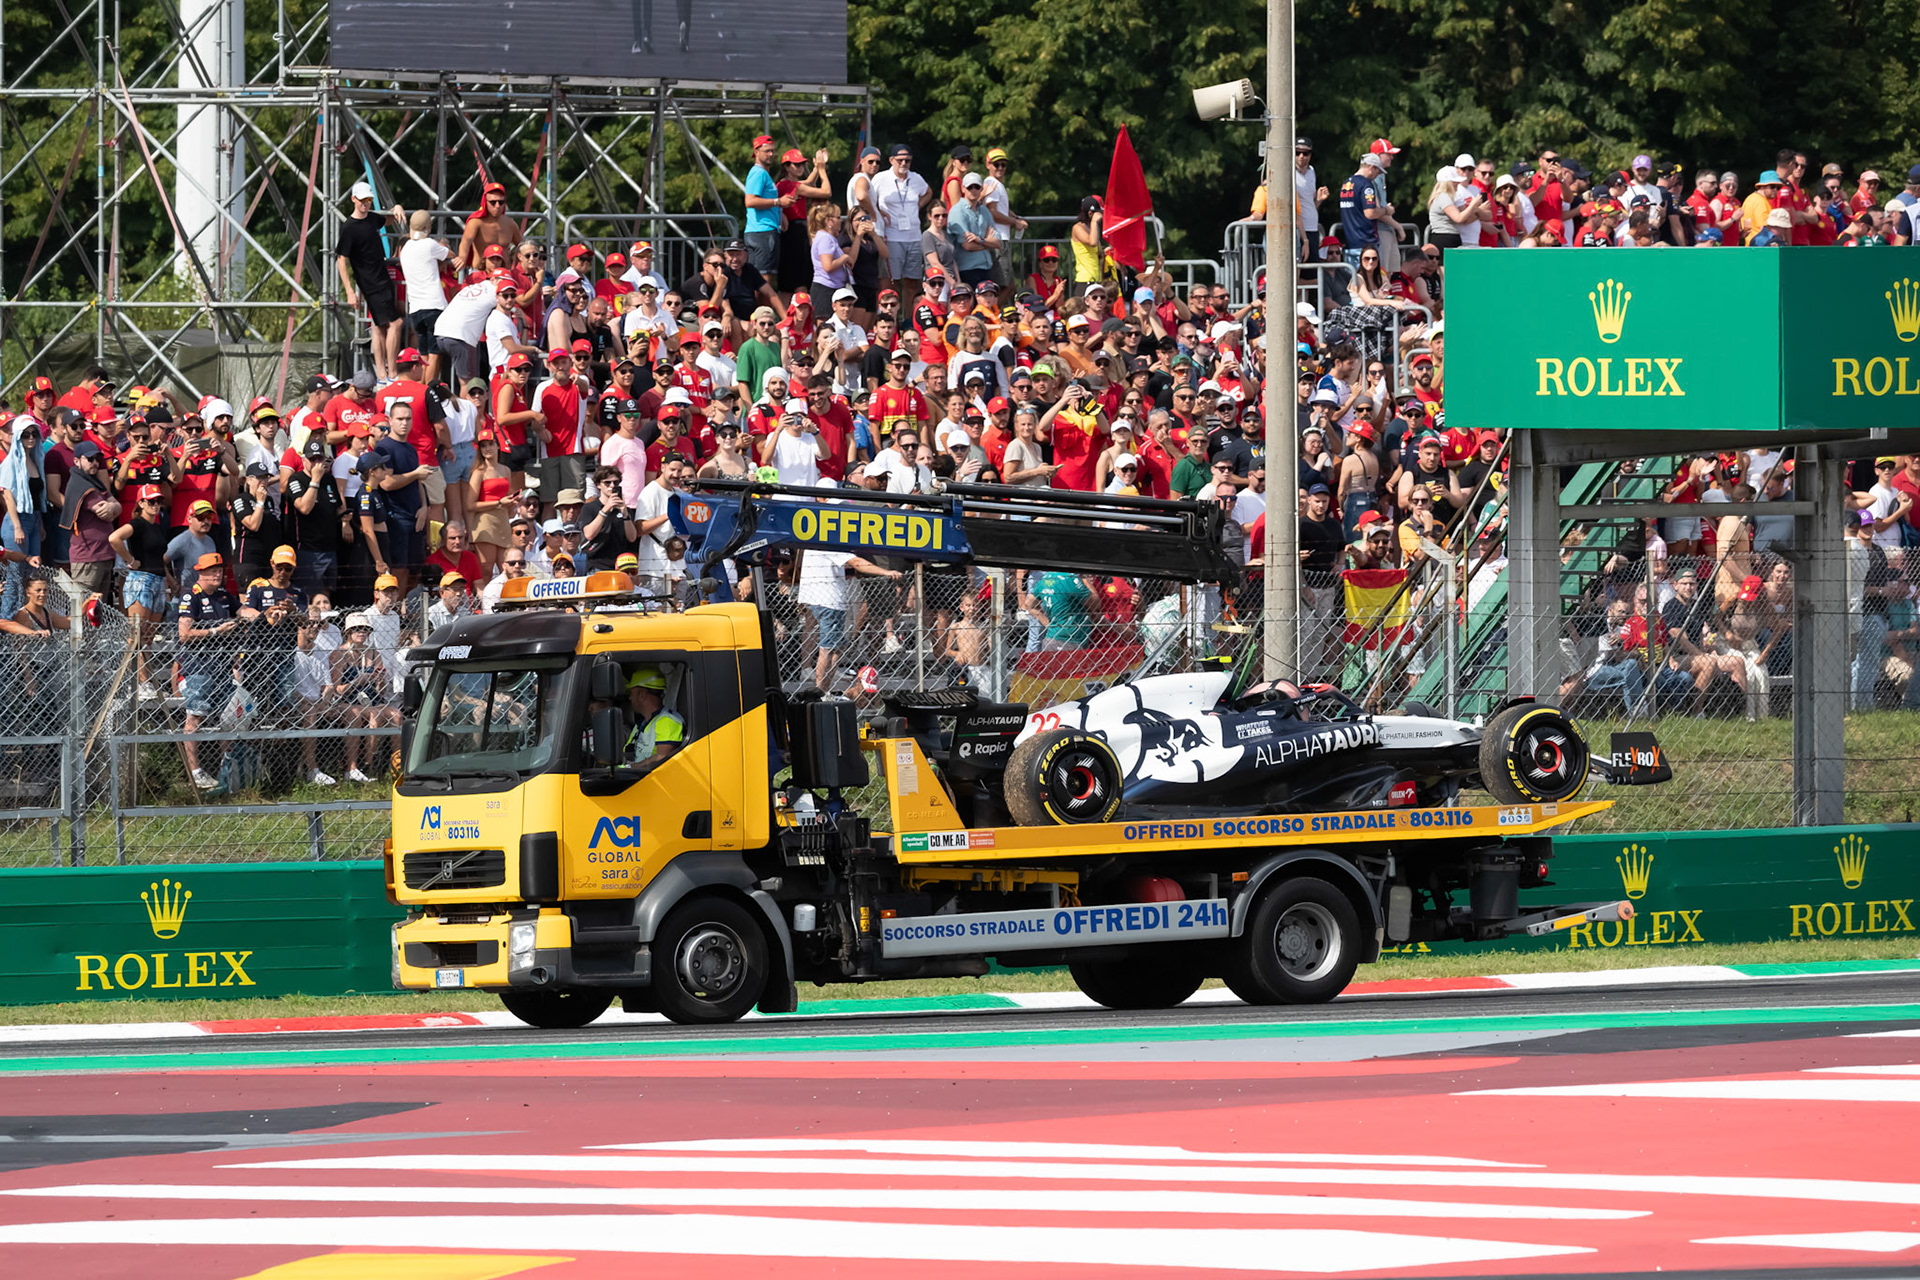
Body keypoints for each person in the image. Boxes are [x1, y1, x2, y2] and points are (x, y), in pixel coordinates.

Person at [177, 551, 241, 788]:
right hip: (199, 667)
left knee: (230, 716)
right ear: (200, 572)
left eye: (220, 570)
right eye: (212, 570)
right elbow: (184, 634)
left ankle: (228, 766)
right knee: (195, 716)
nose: (218, 573)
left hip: (223, 667)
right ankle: (195, 772)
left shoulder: (225, 595)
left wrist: (268, 614)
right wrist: (216, 631)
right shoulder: (190, 596)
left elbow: (245, 612)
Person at [108, 484, 174, 700]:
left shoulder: (157, 525)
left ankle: (146, 678)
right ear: (141, 503)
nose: (156, 505)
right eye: (151, 501)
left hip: (157, 580)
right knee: (137, 633)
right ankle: (140, 680)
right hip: (141, 579)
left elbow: (158, 555)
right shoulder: (137, 523)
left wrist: (170, 580)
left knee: (148, 635)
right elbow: (114, 538)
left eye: (158, 501)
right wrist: (129, 560)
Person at [336, 182, 407, 381]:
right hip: (370, 282)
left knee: (379, 326)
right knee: (396, 323)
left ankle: (383, 374)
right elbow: (341, 259)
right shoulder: (349, 228)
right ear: (353, 200)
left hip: (380, 277)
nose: (366, 204)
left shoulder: (371, 219)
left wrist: (396, 208)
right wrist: (349, 290)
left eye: (369, 201)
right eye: (362, 201)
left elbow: (388, 220)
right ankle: (391, 372)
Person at [332, 612, 398, 783]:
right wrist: (356, 681)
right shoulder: (340, 654)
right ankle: (363, 766)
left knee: (397, 715)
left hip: (371, 699)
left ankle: (398, 766)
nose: (361, 632)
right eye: (357, 629)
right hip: (347, 700)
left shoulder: (374, 653)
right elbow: (336, 689)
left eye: (365, 629)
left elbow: (381, 691)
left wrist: (379, 681)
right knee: (373, 715)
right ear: (349, 632)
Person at [622, 664, 685, 765]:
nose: (630, 698)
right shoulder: (640, 724)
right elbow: (628, 752)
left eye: (631, 694)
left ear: (642, 695)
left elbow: (662, 759)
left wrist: (632, 768)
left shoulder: (668, 721)